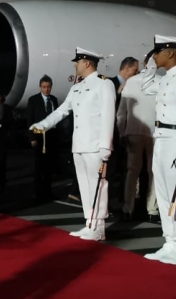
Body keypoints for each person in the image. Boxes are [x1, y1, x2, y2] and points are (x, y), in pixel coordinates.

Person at [30, 48, 116, 241]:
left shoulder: (104, 84)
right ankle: (89, 223)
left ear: (87, 63)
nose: (75, 65)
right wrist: (42, 125)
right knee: (85, 186)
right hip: (79, 146)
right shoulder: (76, 87)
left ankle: (99, 226)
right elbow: (62, 111)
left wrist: (106, 145)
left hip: (95, 146)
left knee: (97, 186)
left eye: (77, 62)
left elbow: (108, 116)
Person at [140, 35, 176, 265]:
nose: (155, 56)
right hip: (161, 138)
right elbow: (145, 86)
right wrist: (150, 67)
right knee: (164, 193)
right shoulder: (165, 79)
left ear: (171, 53)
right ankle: (170, 240)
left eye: (158, 52)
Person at [116, 51, 159, 223]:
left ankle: (128, 208)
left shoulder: (131, 82)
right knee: (153, 172)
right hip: (155, 133)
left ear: (144, 62)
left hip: (134, 132)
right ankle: (152, 210)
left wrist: (122, 132)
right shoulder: (161, 82)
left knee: (132, 172)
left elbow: (122, 113)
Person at [25, 75, 59, 201]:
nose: (46, 90)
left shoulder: (53, 100)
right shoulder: (33, 100)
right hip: (39, 137)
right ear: (40, 87)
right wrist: (31, 138)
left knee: (49, 167)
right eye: (44, 87)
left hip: (51, 137)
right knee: (39, 166)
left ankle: (48, 191)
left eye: (48, 87)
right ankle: (38, 192)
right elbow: (29, 120)